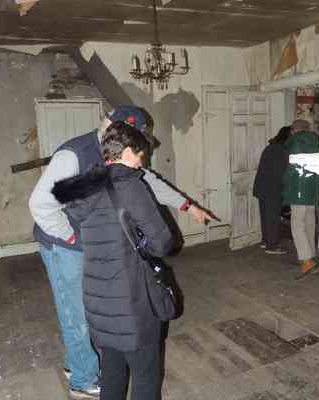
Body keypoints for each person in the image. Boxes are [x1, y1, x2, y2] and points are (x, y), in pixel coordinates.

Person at [28, 105, 215, 398]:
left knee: (101, 313)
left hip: (93, 241)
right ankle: (82, 378)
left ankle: (77, 361)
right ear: (124, 139)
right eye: (139, 149)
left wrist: (187, 205)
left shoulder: (110, 164)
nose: (142, 160)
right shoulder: (75, 154)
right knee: (75, 314)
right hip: (60, 241)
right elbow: (41, 205)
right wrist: (76, 238)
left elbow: (146, 180)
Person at [52, 121, 174, 400]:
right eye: (141, 155)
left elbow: (81, 226)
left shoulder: (85, 187)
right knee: (145, 377)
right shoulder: (131, 186)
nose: (142, 163)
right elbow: (162, 242)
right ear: (128, 152)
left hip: (98, 300)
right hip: (132, 302)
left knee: (112, 372)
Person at [282, 119, 319, 280]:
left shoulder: (294, 142)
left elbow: (291, 169)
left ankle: (307, 261)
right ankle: (311, 255)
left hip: (298, 187)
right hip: (312, 187)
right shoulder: (315, 142)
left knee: (297, 225)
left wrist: (285, 184)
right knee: (309, 222)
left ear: (293, 130)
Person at [253, 126, 290, 255]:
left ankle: (266, 241)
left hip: (262, 187)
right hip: (272, 189)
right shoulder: (281, 150)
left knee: (266, 217)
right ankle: (272, 246)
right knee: (273, 218)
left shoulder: (270, 147)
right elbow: (281, 173)